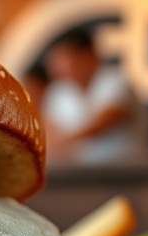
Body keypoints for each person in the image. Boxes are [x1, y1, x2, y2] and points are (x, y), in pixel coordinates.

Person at [41, 28, 134, 165]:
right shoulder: (59, 91)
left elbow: (103, 122)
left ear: (89, 54)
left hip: (124, 173)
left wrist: (63, 142)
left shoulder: (115, 80)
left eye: (68, 58)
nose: (62, 66)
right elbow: (48, 130)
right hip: (78, 176)